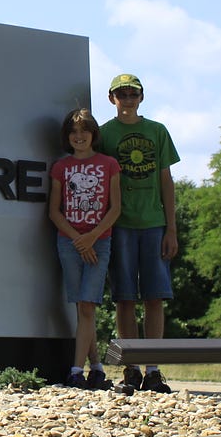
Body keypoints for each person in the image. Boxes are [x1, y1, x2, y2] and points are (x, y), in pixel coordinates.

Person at [98, 73, 180, 393]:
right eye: (122, 94)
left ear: (141, 98)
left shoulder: (157, 131)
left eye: (133, 94)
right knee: (125, 297)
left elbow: (166, 180)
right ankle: (130, 366)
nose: (128, 100)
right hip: (119, 224)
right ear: (112, 99)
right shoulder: (104, 135)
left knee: (155, 296)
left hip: (153, 223)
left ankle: (154, 367)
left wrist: (171, 228)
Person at [48, 107, 125, 391]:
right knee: (82, 307)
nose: (79, 136)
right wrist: (77, 239)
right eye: (74, 132)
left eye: (84, 131)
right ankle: (98, 369)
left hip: (99, 242)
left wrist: (91, 237)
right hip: (68, 242)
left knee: (88, 306)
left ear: (94, 134)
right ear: (67, 136)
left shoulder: (109, 164)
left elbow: (115, 207)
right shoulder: (60, 167)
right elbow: (55, 212)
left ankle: (76, 371)